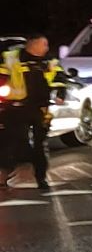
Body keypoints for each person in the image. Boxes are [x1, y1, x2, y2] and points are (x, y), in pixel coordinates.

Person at [1, 35, 68, 193]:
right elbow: (2, 76)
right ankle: (8, 172)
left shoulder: (49, 61)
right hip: (16, 107)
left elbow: (59, 77)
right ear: (33, 44)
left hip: (40, 109)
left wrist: (60, 94)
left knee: (40, 144)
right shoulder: (12, 58)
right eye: (44, 44)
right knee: (15, 141)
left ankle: (41, 178)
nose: (46, 48)